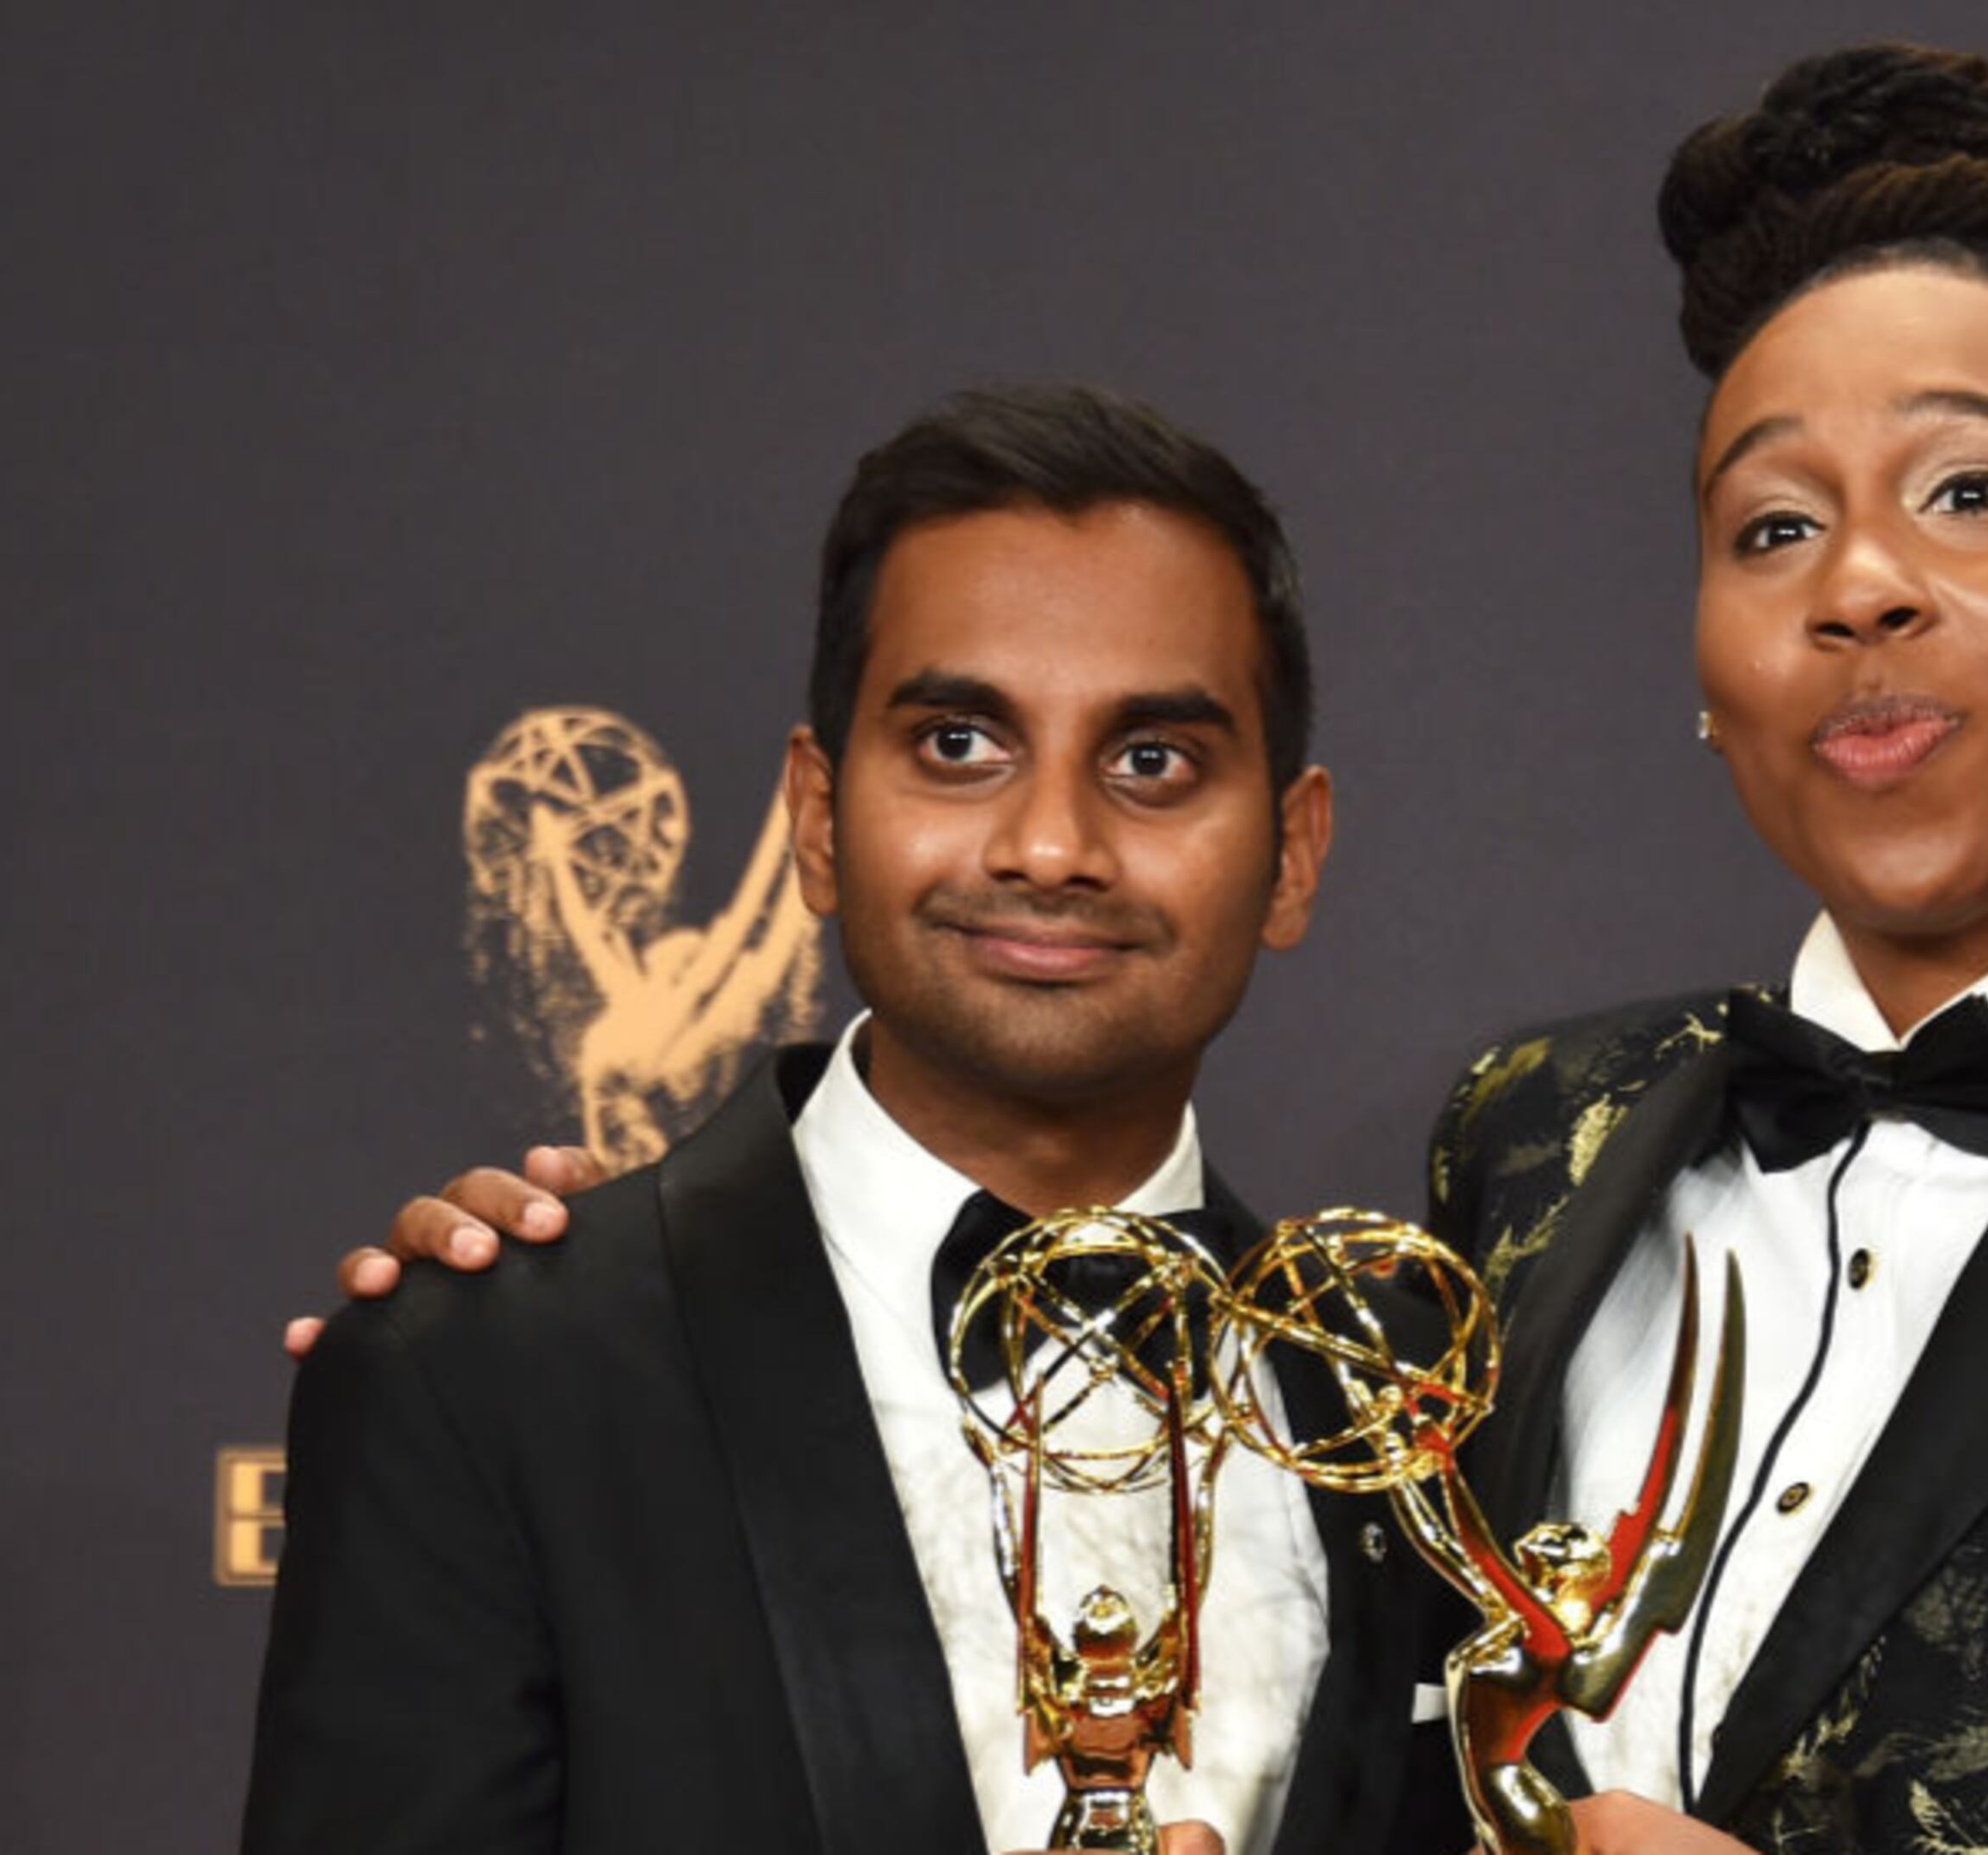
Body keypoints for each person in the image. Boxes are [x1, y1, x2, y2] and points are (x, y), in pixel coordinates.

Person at [335, 45, 1988, 1855]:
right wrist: (565, 1300)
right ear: (1706, 656)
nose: (1863, 586)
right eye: (1773, 527)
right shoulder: (1526, 1159)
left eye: (1973, 491)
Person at [246, 384, 1420, 1855]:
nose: (1051, 843)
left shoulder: (1407, 1402)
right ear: (815, 816)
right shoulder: (485, 1372)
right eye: (959, 743)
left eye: (1151, 762)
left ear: (1292, 853)